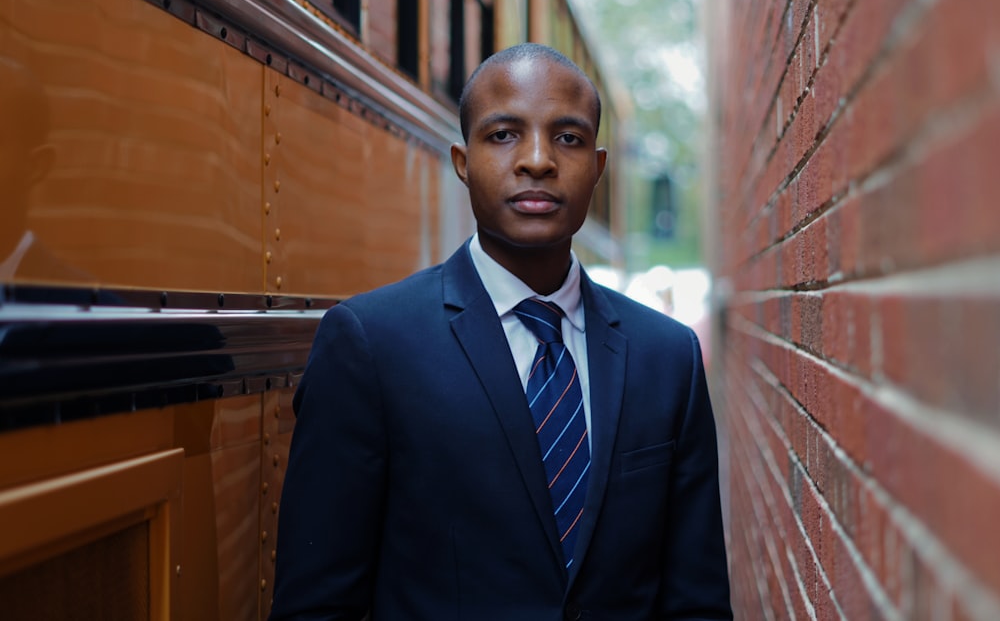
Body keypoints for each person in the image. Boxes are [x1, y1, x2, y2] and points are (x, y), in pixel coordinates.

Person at [269, 43, 732, 620]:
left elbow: (698, 602)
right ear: (463, 162)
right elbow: (318, 605)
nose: (538, 160)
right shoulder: (371, 344)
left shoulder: (668, 356)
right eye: (504, 134)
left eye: (568, 138)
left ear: (598, 166)